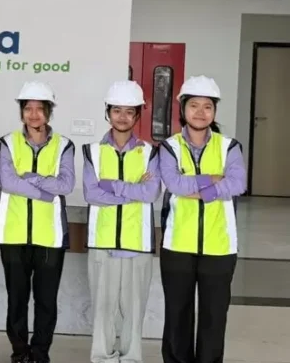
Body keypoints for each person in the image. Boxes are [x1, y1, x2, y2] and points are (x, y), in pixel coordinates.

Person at [158, 75, 246, 363]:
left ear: (214, 111)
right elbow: (174, 184)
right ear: (182, 108)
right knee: (177, 315)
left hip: (220, 246)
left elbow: (237, 184)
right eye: (194, 105)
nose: (200, 112)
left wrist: (196, 188)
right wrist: (215, 181)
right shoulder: (169, 147)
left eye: (207, 106)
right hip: (177, 245)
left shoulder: (229, 146)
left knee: (213, 317)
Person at [81, 80, 161, 363]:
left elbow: (150, 193)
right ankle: (102, 357)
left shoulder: (151, 152)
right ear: (108, 112)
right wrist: (133, 190)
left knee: (134, 310)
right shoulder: (92, 151)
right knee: (102, 308)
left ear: (137, 115)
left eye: (129, 111)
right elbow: (91, 194)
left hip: (137, 243)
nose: (123, 117)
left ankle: (131, 358)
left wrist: (112, 186)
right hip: (102, 241)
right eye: (117, 110)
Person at [0, 81, 75, 363]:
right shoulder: (6, 143)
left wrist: (29, 178)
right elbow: (8, 182)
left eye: (39, 109)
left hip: (49, 236)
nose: (33, 115)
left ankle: (40, 353)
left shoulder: (64, 145)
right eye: (28, 108)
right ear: (21, 112)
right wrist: (45, 190)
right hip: (13, 234)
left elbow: (66, 185)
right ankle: (19, 352)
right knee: (16, 299)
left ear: (49, 112)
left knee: (46, 302)